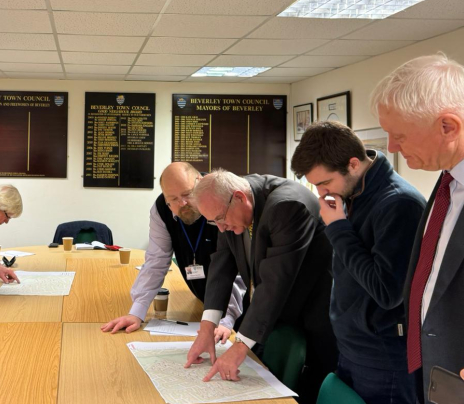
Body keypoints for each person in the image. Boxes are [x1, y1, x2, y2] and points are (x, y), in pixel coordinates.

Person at [372, 53, 464, 400]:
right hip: (436, 381)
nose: (391, 147)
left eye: (400, 136)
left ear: (448, 127)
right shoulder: (448, 180)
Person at [290, 121, 426, 404]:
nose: (322, 194)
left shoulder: (399, 203)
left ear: (352, 164)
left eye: (325, 183)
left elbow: (387, 292)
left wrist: (338, 227)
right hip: (352, 345)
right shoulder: (353, 193)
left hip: (383, 356)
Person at [184, 169, 336, 404]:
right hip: (275, 314)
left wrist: (239, 346)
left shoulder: (287, 205)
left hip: (316, 313)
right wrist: (207, 327)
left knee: (308, 390)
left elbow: (275, 283)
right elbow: (222, 264)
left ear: (239, 197)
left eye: (221, 220)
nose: (221, 228)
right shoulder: (227, 207)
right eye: (215, 223)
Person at [101, 162, 244, 341]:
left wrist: (227, 318)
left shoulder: (221, 201)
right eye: (173, 199)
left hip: (242, 306)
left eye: (187, 194)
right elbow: (156, 260)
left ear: (200, 182)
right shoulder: (161, 210)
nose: (182, 204)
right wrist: (137, 312)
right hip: (206, 302)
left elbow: (233, 268)